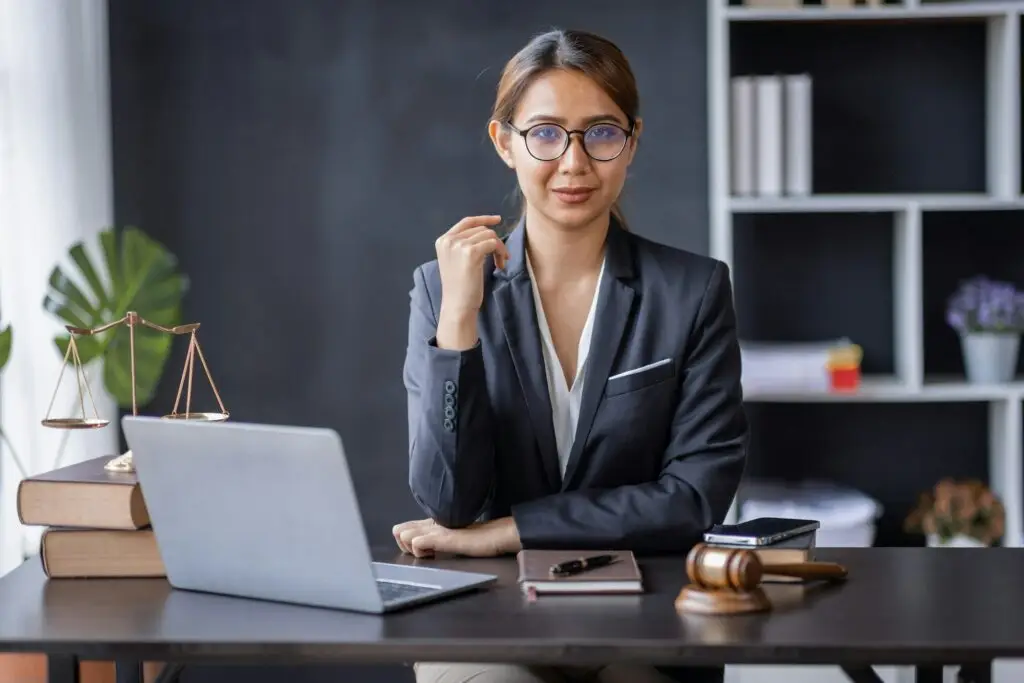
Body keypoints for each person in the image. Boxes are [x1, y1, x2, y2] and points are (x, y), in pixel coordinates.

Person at [394, 28, 748, 683]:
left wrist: (509, 529)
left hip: (649, 617)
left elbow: (694, 499)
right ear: (505, 142)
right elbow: (448, 501)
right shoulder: (442, 290)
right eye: (547, 133)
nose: (575, 162)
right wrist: (458, 322)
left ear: (632, 142)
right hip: (487, 617)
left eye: (602, 133)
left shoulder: (692, 291)